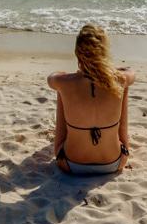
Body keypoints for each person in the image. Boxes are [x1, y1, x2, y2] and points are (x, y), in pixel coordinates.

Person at [47, 24, 135, 175]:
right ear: (104, 52)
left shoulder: (65, 82)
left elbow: (52, 77)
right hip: (115, 162)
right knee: (123, 86)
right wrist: (107, 70)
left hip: (69, 163)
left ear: (77, 53)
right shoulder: (120, 79)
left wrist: (70, 76)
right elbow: (130, 72)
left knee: (62, 90)